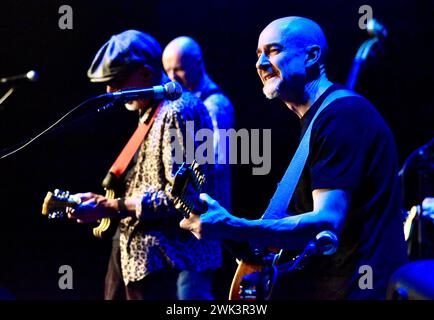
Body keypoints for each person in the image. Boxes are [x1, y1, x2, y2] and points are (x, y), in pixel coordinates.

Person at [180, 17, 408, 299]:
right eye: (258, 54)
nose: (260, 63)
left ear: (311, 56)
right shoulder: (319, 119)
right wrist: (231, 231)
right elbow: (296, 223)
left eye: (273, 51)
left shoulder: (342, 116)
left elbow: (327, 221)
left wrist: (234, 226)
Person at [67, 30, 222, 300]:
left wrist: (114, 206)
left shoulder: (178, 111)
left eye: (116, 82)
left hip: (168, 261)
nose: (110, 92)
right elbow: (151, 185)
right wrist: (103, 202)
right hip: (141, 261)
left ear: (146, 74)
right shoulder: (152, 110)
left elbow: (183, 198)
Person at [162, 36, 235, 210]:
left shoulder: (215, 106)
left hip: (209, 213)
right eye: (168, 70)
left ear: (198, 64)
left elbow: (216, 167)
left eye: (179, 69)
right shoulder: (183, 101)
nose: (173, 78)